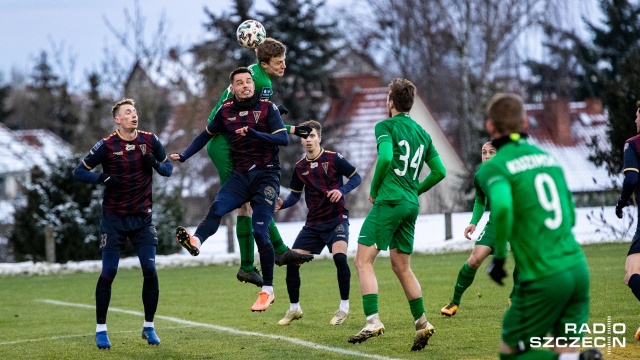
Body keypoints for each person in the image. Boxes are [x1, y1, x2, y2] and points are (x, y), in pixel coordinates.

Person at [480, 93, 601, 360]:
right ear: (525, 121)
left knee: (511, 353)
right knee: (565, 345)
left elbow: (501, 207)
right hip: (577, 269)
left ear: (490, 127)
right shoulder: (549, 158)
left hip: (544, 275)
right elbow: (570, 215)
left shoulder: (495, 166)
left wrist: (499, 257)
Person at [171, 67, 289, 312]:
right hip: (240, 176)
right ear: (232, 89)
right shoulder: (225, 111)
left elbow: (283, 139)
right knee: (217, 207)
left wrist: (255, 133)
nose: (245, 85)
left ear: (254, 86)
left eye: (248, 81)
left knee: (260, 230)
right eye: (239, 83)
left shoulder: (269, 109)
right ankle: (196, 240)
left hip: (266, 175)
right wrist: (184, 155)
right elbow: (204, 136)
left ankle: (267, 291)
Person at [205, 37, 313, 287]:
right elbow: (254, 123)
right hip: (224, 143)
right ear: (264, 64)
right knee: (249, 200)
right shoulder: (263, 82)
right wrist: (294, 129)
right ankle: (275, 252)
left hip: (227, 139)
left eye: (284, 60)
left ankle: (254, 262)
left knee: (249, 203)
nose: (283, 66)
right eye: (278, 62)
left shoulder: (255, 71)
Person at [347, 78, 446, 351]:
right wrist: (415, 189)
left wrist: (376, 188)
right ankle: (423, 323)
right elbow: (440, 172)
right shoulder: (422, 133)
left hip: (389, 200)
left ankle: (372, 320)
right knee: (402, 266)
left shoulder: (385, 126)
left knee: (362, 261)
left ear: (390, 102)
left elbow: (387, 158)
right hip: (410, 204)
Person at [73, 98, 173, 349]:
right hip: (114, 220)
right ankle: (101, 330)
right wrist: (102, 177)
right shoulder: (106, 145)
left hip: (142, 219)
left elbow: (169, 168)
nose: (133, 115)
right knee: (109, 272)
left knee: (150, 270)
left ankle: (149, 327)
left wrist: (157, 165)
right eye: (128, 113)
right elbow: (78, 172)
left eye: (135, 112)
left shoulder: (150, 140)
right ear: (117, 119)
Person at [274, 120, 362, 326]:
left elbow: (355, 177)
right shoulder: (299, 167)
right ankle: (294, 309)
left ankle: (343, 308)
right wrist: (282, 204)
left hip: (337, 219)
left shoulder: (333, 159)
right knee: (292, 261)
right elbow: (295, 196)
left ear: (319, 138)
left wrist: (341, 191)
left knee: (340, 258)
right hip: (313, 224)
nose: (308, 140)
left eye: (312, 136)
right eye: (305, 136)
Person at [440, 142, 517, 316]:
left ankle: (515, 297)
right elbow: (480, 201)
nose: (487, 155)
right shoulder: (480, 175)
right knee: (474, 260)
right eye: (484, 152)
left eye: (492, 152)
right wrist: (474, 222)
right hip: (495, 224)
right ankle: (454, 302)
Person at [614, 100, 640, 342]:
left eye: (638, 114)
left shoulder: (634, 144)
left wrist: (622, 202)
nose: (635, 119)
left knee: (632, 274)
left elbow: (631, 180)